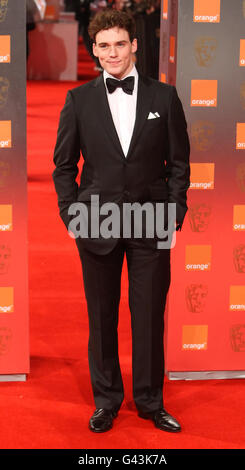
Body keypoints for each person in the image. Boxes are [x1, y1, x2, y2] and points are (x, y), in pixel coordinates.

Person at [53, 8, 190, 433]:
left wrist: (174, 212)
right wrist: (73, 216)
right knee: (102, 316)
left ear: (135, 45)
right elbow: (63, 167)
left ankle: (150, 402)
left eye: (120, 44)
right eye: (104, 46)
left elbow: (180, 162)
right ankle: (107, 400)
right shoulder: (78, 101)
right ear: (94, 50)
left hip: (151, 223)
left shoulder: (164, 97)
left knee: (149, 316)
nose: (112, 53)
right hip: (97, 222)